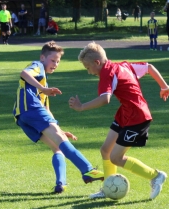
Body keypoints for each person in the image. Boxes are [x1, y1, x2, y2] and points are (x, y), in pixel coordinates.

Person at [69, 42, 169, 200]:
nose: (89, 72)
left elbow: (105, 99)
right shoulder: (123, 65)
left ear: (97, 62)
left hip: (137, 117)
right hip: (125, 114)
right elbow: (149, 67)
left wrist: (82, 107)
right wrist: (164, 86)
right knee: (105, 150)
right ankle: (108, 187)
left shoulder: (107, 73)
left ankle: (155, 176)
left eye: (88, 68)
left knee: (115, 157)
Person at [12, 41, 104, 193]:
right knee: (61, 141)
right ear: (43, 57)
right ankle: (87, 170)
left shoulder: (42, 81)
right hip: (31, 109)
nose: (55, 64)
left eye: (58, 61)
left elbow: (47, 110)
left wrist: (59, 130)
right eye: (53, 60)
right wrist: (43, 89)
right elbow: (24, 73)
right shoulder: (38, 66)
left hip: (23, 117)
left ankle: (60, 183)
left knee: (57, 147)